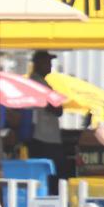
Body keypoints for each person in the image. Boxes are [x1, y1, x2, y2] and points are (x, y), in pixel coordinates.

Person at [28, 50, 65, 193]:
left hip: (45, 136)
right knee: (52, 175)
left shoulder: (41, 82)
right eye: (46, 62)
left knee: (51, 175)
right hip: (44, 137)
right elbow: (57, 109)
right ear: (38, 64)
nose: (49, 65)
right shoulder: (37, 83)